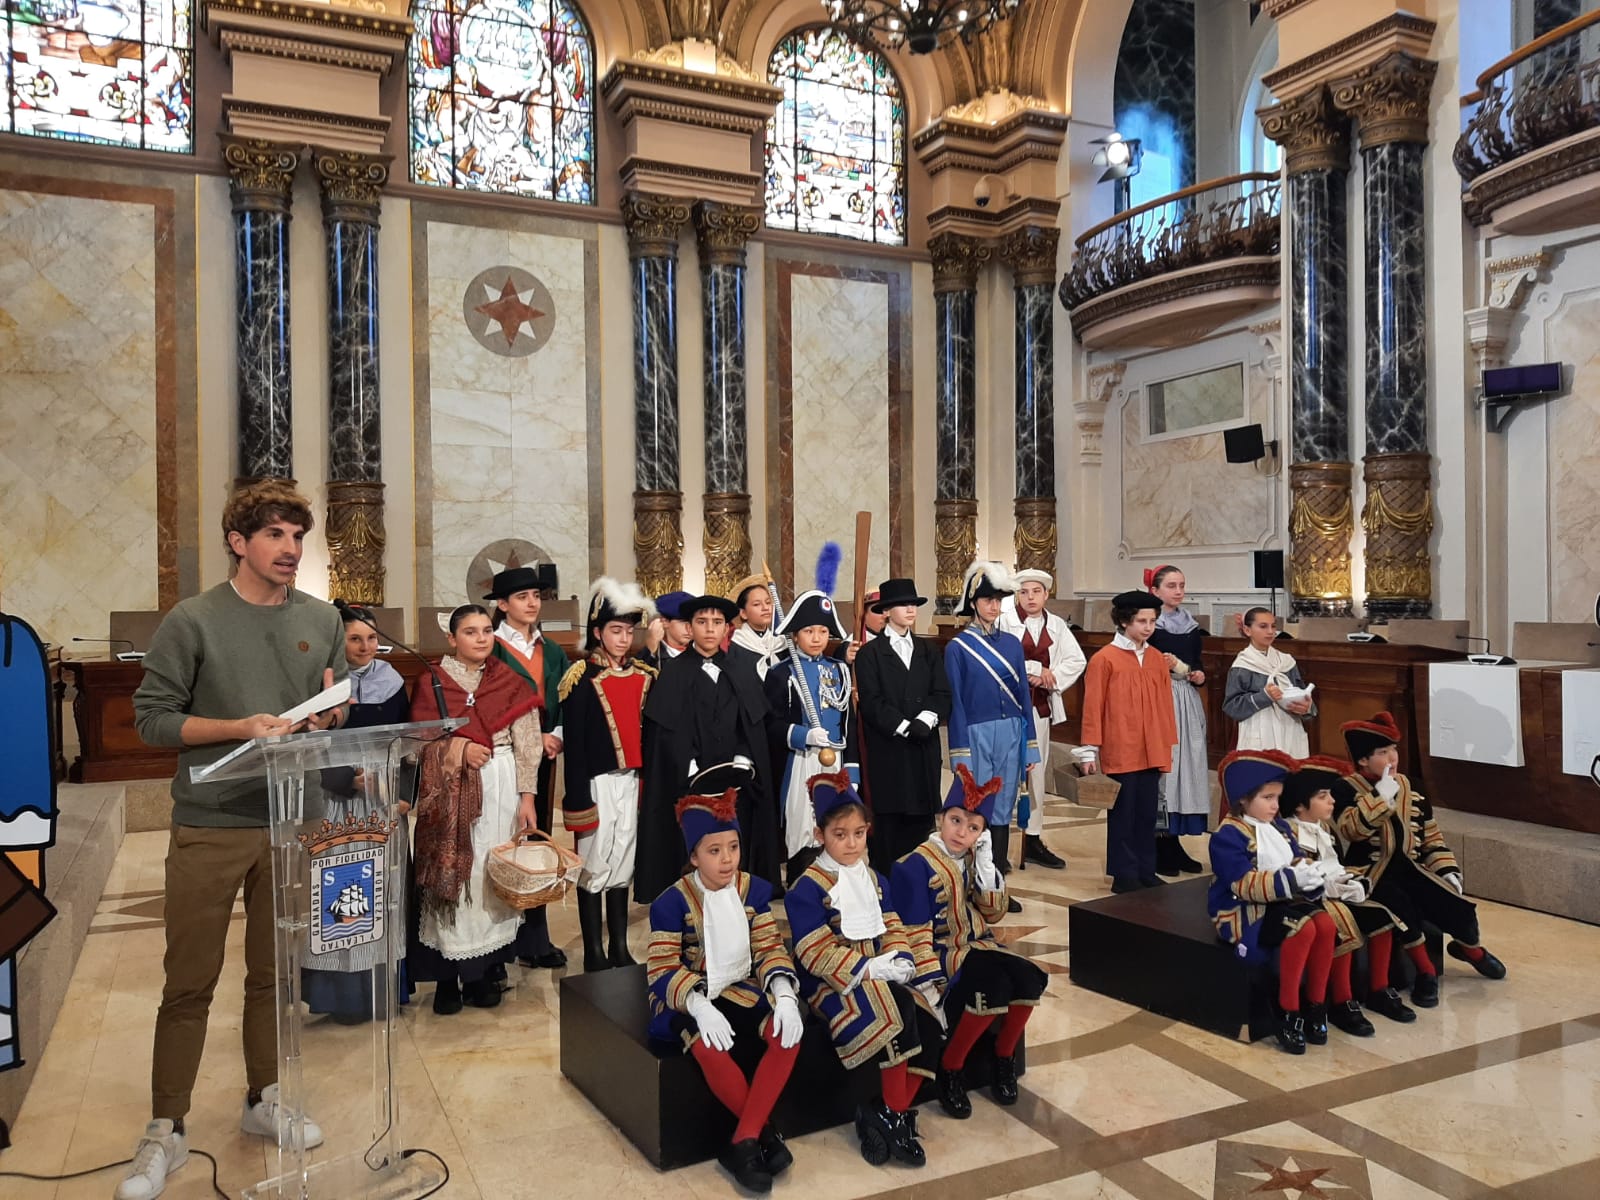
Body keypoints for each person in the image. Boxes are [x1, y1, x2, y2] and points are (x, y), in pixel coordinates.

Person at [123, 482, 346, 1200]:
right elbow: (153, 720)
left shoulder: (322, 617)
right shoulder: (192, 621)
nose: (289, 549)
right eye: (275, 535)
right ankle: (166, 1126)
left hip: (291, 819)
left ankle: (265, 1098)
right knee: (188, 981)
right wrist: (240, 727)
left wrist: (325, 722)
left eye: (296, 536)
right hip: (212, 822)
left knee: (273, 977)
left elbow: (332, 702)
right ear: (237, 541)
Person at [646, 781, 805, 1195]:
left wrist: (785, 995)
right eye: (714, 851)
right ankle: (764, 1135)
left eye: (732, 848)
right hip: (685, 1001)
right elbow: (662, 969)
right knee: (709, 1048)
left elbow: (769, 946)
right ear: (694, 855)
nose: (727, 860)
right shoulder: (672, 903)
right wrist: (697, 1005)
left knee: (787, 1037)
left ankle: (744, 1140)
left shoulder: (753, 890)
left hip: (739, 987)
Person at [785, 774, 934, 1168]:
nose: (851, 844)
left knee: (927, 1012)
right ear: (820, 834)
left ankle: (889, 1109)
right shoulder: (806, 888)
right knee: (891, 1007)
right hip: (832, 984)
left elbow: (893, 922)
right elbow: (813, 952)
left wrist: (899, 956)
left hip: (879, 972)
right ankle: (894, 1113)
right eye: (840, 834)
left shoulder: (875, 879)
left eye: (859, 833)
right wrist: (868, 967)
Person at [892, 765, 1046, 1119]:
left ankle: (1003, 1058)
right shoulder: (914, 866)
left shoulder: (975, 859)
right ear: (940, 819)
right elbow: (914, 932)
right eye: (956, 821)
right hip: (944, 954)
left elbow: (993, 915)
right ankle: (951, 1067)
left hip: (980, 945)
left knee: (1029, 977)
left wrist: (988, 868)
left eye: (973, 827)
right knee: (990, 985)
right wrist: (929, 990)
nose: (962, 832)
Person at [408, 605, 541, 1015]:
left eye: (486, 631)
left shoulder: (509, 681)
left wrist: (528, 796)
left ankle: (482, 972)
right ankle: (447, 977)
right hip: (449, 793)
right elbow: (415, 746)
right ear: (452, 639)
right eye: (470, 631)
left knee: (488, 872)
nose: (481, 638)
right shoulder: (432, 682)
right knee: (452, 874)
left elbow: (528, 743)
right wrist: (457, 748)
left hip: (499, 786)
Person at [1333, 713, 1506, 1007]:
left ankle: (1472, 950)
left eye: (1394, 750)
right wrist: (1380, 799)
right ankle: (1425, 973)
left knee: (1454, 902)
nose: (1392, 758)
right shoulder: (1344, 789)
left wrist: (1447, 870)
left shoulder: (1412, 786)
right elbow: (1353, 829)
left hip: (1410, 867)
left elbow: (1430, 837)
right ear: (1363, 760)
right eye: (1382, 752)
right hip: (1371, 873)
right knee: (1404, 908)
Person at [303, 603, 415, 1023]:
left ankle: (385, 989)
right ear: (338, 641)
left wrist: (404, 792)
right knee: (345, 895)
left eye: (371, 638)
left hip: (384, 800)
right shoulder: (322, 683)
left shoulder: (392, 681)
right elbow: (307, 744)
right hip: (338, 803)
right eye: (354, 638)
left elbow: (408, 741)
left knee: (384, 895)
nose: (366, 646)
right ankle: (343, 996)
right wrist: (344, 779)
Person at [635, 595, 781, 901]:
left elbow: (753, 725)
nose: (710, 630)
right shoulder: (674, 673)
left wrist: (743, 756)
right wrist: (687, 762)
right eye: (702, 623)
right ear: (690, 627)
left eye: (717, 623)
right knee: (695, 845)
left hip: (736, 783)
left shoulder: (741, 670)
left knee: (733, 844)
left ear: (727, 628)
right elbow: (665, 733)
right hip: (689, 785)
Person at [1207, 750, 1337, 1054]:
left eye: (1277, 798)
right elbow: (1242, 884)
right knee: (1302, 928)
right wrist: (1292, 880)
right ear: (1243, 798)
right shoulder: (1228, 835)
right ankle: (1287, 1010)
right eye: (1267, 798)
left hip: (1278, 901)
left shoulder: (1280, 827)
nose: (1276, 805)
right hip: (1241, 910)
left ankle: (1315, 1004)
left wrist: (1313, 874)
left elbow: (1295, 858)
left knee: (1326, 924)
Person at [559, 579, 657, 972]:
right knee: (594, 864)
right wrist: (579, 799)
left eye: (628, 631)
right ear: (597, 633)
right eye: (615, 630)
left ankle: (618, 946)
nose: (623, 638)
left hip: (630, 781)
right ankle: (594, 952)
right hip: (598, 783)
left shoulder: (645, 676)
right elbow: (577, 747)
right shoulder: (580, 679)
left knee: (623, 864)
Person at [1281, 756, 1415, 1033]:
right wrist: (1339, 887)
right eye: (1322, 796)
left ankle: (1378, 988)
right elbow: (1304, 874)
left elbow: (1335, 865)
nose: (1331, 801)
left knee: (1381, 915)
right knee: (1343, 924)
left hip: (1334, 891)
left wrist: (1355, 880)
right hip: (1310, 899)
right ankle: (1341, 1001)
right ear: (1299, 804)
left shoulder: (1324, 828)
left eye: (1331, 794)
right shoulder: (1291, 833)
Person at [485, 564, 570, 970]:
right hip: (503, 755)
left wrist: (554, 733)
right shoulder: (492, 648)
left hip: (544, 755)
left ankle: (535, 937)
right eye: (522, 597)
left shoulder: (551, 650)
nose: (532, 602)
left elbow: (564, 698)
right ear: (502, 605)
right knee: (502, 840)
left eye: (536, 595)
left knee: (535, 841)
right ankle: (497, 941)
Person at [945, 563, 1039, 900]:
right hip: (976, 734)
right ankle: (970, 886)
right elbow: (956, 701)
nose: (994, 607)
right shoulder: (957, 648)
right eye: (987, 600)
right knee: (975, 810)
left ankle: (996, 887)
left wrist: (1030, 747)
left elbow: (1024, 699)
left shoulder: (1013, 644)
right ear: (973, 602)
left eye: (999, 600)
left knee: (1002, 812)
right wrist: (960, 752)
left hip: (1012, 732)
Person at [1079, 590, 1178, 893]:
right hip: (1120, 747)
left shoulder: (1155, 659)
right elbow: (1093, 706)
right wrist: (1089, 750)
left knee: (1147, 812)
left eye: (1152, 621)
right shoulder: (1104, 659)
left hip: (1150, 748)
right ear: (1124, 621)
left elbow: (1164, 704)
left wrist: (1166, 746)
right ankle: (1124, 873)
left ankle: (1146, 869)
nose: (1148, 627)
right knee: (1123, 812)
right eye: (1141, 621)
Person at [853, 578, 951, 874]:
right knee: (890, 825)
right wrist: (905, 725)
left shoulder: (928, 649)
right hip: (890, 749)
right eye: (903, 605)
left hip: (923, 748)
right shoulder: (870, 654)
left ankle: (918, 885)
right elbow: (871, 702)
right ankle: (887, 887)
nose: (911, 610)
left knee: (921, 825)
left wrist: (927, 719)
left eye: (914, 605)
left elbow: (942, 692)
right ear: (887, 611)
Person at [765, 588, 859, 883]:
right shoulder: (782, 674)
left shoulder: (839, 670)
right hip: (801, 761)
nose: (817, 638)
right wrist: (804, 735)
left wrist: (852, 770)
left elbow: (849, 725)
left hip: (835, 759)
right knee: (802, 826)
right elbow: (771, 724)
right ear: (795, 635)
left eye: (822, 631)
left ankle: (834, 886)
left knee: (836, 822)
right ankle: (800, 884)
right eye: (808, 631)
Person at [997, 568, 1083, 871]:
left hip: (1040, 708)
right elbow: (999, 658)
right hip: (1007, 707)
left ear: (1046, 595)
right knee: (1007, 770)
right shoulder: (1003, 622)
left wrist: (1052, 677)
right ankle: (999, 843)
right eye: (1024, 592)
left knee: (1036, 770)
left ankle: (1032, 838)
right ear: (1016, 595)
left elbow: (1077, 660)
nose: (1030, 597)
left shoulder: (1057, 625)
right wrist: (1034, 667)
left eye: (1036, 592)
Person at [1144, 565, 1210, 876]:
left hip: (1186, 699)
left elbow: (1195, 662)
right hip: (1161, 699)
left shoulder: (1190, 624)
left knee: (1187, 769)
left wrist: (1197, 674)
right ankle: (1158, 842)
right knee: (1166, 772)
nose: (1178, 591)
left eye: (1181, 585)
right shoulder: (1149, 625)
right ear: (1155, 591)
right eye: (1171, 585)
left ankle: (1176, 840)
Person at [1224, 607, 1315, 756]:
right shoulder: (1242, 665)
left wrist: (1306, 707)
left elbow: (1301, 692)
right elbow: (1232, 707)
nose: (1270, 631)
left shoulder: (1286, 661)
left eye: (1273, 626)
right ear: (1248, 630)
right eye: (1263, 626)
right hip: (1259, 730)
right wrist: (1264, 696)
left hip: (1290, 727)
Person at [726, 570, 784, 685]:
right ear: (743, 613)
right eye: (757, 604)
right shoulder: (736, 646)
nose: (765, 608)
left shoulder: (781, 645)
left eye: (768, 602)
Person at [642, 589, 695, 670]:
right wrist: (651, 650)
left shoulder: (701, 653)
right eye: (684, 622)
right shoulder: (651, 656)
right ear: (665, 621)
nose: (690, 629)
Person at [843, 588, 887, 665]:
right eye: (878, 610)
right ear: (864, 614)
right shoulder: (852, 642)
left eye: (887, 610)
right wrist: (845, 655)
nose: (884, 616)